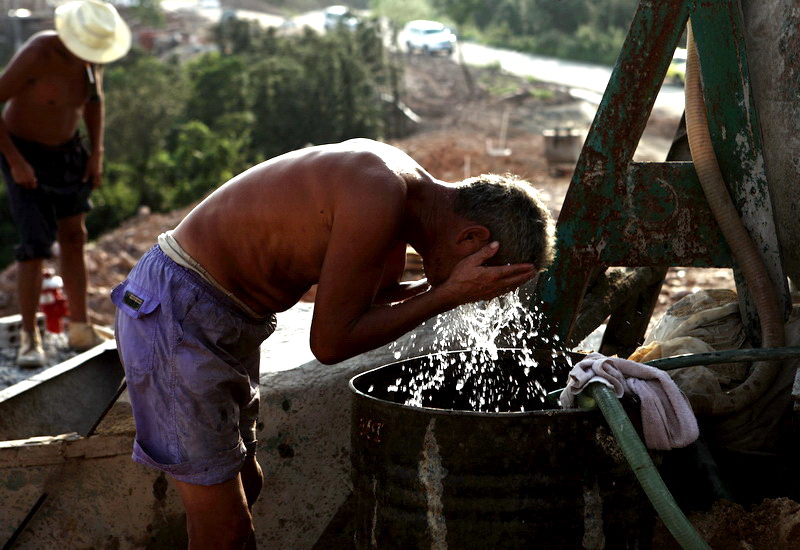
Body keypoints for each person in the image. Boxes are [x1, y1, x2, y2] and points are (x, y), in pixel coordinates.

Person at [111, 138, 556, 549]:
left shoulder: (406, 192)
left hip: (224, 317)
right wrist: (445, 294)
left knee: (244, 488)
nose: (483, 292)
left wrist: (436, 289)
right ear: (473, 238)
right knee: (226, 528)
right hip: (180, 312)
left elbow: (370, 299)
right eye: (488, 276)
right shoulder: (377, 195)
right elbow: (330, 342)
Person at [0, 0, 131, 366]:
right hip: (24, 153)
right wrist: (15, 162)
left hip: (68, 153)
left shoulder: (91, 59)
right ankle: (29, 337)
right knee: (35, 245)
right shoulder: (39, 53)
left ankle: (79, 327)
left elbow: (94, 101)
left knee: (75, 236)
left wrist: (96, 154)